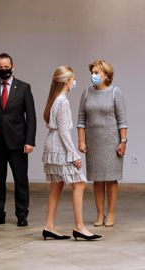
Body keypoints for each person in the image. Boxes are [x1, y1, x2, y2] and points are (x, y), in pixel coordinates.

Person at [42, 66, 101, 241]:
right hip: (59, 146)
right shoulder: (63, 101)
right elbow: (63, 132)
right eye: (72, 78)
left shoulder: (54, 99)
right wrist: (74, 154)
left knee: (56, 184)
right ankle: (79, 227)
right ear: (67, 80)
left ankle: (49, 226)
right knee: (79, 183)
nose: (74, 81)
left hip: (51, 144)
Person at [0, 53, 36, 227]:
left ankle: (22, 214)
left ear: (13, 67)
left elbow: (31, 116)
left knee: (20, 179)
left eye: (6, 67)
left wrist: (30, 141)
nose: (4, 70)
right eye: (0, 67)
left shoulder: (23, 87)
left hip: (18, 142)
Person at [78, 60, 128, 227]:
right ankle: (100, 214)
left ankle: (111, 213)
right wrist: (81, 140)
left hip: (111, 142)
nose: (94, 75)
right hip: (93, 142)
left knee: (111, 179)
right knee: (97, 179)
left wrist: (123, 141)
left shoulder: (115, 92)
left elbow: (122, 120)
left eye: (97, 72)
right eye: (92, 72)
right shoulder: (86, 92)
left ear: (107, 75)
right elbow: (81, 119)